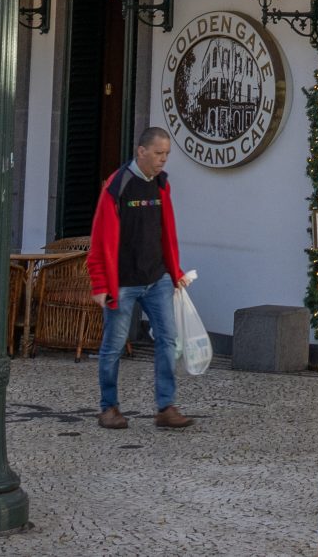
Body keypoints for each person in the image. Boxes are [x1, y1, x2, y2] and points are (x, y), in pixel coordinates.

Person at [87, 126, 195, 430]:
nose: (163, 160)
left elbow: (165, 232)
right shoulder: (117, 185)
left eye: (167, 154)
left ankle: (166, 406)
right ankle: (108, 407)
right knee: (113, 345)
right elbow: (99, 240)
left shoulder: (161, 184)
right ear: (141, 151)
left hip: (157, 278)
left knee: (167, 339)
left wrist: (175, 272)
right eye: (159, 154)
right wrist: (99, 283)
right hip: (122, 281)